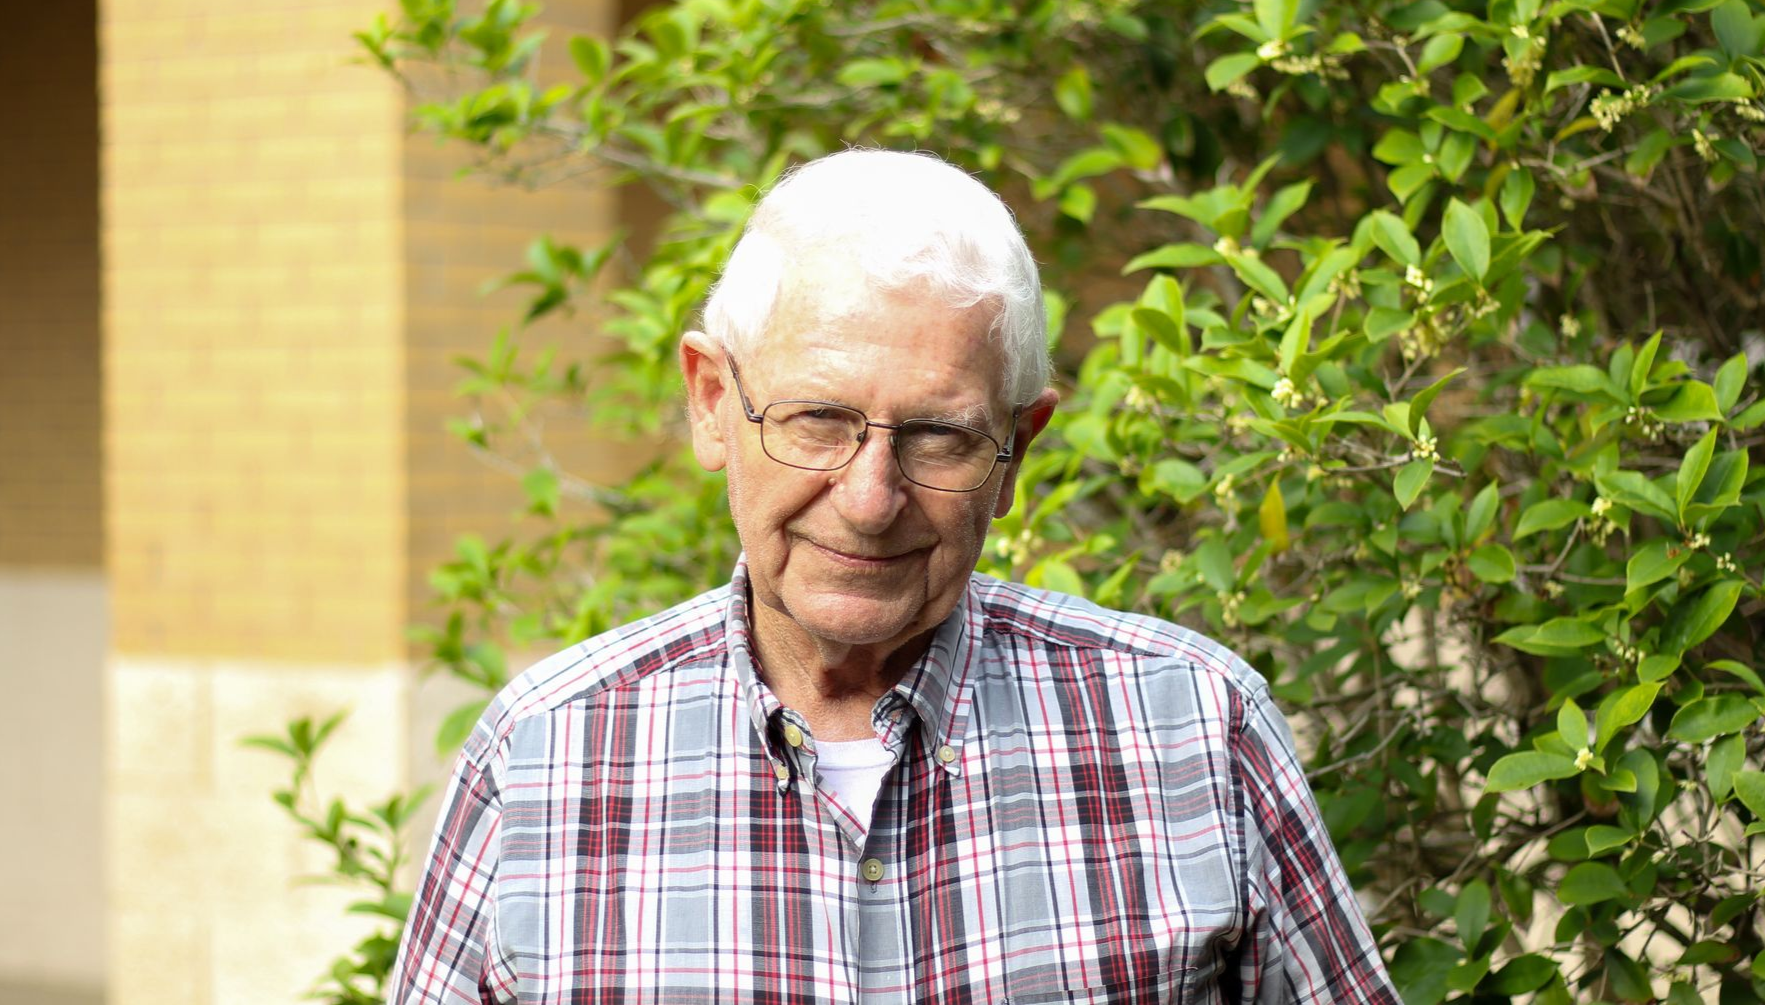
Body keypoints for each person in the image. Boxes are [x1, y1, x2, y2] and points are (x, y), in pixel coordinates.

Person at [390, 149, 1399, 1004]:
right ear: (710, 402)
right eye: (816, 420)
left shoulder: (1192, 728)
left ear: (1017, 448)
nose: (869, 499)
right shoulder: (546, 755)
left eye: (938, 436)